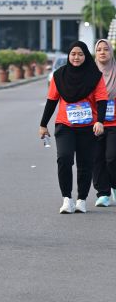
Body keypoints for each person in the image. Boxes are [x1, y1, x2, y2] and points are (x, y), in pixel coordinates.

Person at [39, 41, 107, 214]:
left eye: (80, 54)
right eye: (73, 54)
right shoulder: (59, 76)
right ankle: (67, 199)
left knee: (85, 163)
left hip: (88, 127)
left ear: (86, 56)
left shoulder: (95, 76)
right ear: (69, 55)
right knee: (64, 158)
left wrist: (100, 121)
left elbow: (102, 100)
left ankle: (81, 200)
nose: (76, 57)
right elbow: (51, 101)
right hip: (65, 125)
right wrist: (43, 124)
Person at [93, 39, 116, 207]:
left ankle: (114, 185)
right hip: (94, 123)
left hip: (114, 123)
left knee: (111, 157)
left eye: (106, 49)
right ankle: (103, 193)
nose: (102, 52)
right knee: (97, 159)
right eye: (99, 49)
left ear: (111, 52)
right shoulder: (90, 74)